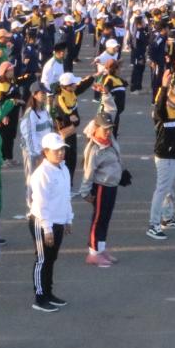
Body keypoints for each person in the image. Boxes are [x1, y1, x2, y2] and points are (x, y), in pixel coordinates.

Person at [26, 131, 72, 312]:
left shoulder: (63, 169)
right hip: (42, 222)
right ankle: (40, 297)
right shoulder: (42, 174)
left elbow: (65, 196)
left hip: (58, 220)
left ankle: (48, 293)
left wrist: (68, 219)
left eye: (62, 149)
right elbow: (41, 203)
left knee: (51, 259)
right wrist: (47, 228)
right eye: (56, 150)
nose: (60, 153)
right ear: (45, 152)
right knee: (42, 259)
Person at [78, 113, 123, 267]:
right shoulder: (94, 149)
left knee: (106, 218)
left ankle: (101, 249)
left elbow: (111, 109)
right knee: (98, 219)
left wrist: (121, 174)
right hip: (101, 187)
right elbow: (88, 172)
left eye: (110, 128)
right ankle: (93, 253)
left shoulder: (109, 141)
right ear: (96, 128)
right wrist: (85, 192)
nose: (108, 132)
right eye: (105, 129)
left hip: (111, 185)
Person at [146, 73, 175, 241]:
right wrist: (163, 86)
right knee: (162, 189)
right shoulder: (163, 111)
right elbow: (158, 106)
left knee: (171, 189)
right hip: (165, 156)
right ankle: (153, 224)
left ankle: (167, 218)